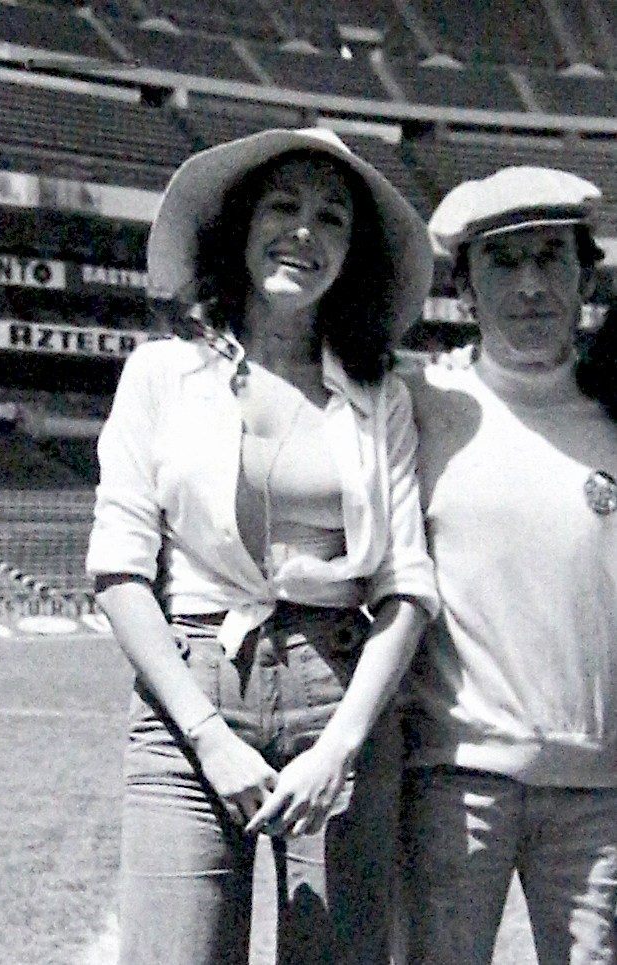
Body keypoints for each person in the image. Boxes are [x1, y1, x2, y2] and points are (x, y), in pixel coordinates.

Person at [86, 127, 439, 965]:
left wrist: (340, 747)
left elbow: (407, 587)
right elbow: (119, 568)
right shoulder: (158, 376)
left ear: (353, 255)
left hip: (340, 698)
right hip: (188, 697)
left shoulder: (378, 395)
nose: (304, 233)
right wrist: (208, 732)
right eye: (282, 206)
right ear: (240, 227)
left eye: (332, 219)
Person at [400, 166, 617, 964]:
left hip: (601, 792)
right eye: (503, 261)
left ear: (583, 275)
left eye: (550, 258)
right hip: (452, 783)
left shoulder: (612, 418)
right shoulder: (424, 405)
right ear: (463, 287)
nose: (529, 284)